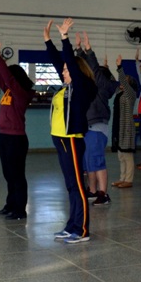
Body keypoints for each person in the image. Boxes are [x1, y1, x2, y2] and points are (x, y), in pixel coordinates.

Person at [45, 18, 97, 244]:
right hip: (60, 140)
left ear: (77, 72)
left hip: (72, 140)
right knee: (70, 186)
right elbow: (58, 62)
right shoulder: (68, 88)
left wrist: (64, 38)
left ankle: (82, 230)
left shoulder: (82, 88)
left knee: (77, 186)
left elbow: (70, 64)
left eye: (67, 70)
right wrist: (48, 41)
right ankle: (71, 226)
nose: (63, 72)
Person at [0, 41, 35, 220]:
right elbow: (0, 77)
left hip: (16, 139)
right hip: (5, 136)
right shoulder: (8, 91)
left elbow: (7, 78)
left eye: (10, 78)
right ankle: (10, 205)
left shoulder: (21, 93)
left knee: (17, 175)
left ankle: (20, 209)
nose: (6, 80)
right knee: (8, 174)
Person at [78, 32, 118, 204]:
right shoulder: (93, 85)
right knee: (89, 163)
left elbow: (93, 69)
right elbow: (83, 69)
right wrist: (79, 51)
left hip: (97, 128)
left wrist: (88, 50)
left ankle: (103, 194)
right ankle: (93, 190)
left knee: (97, 161)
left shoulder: (103, 86)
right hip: (88, 127)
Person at [112, 55, 137, 189]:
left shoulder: (130, 94)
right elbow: (113, 82)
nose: (122, 82)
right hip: (119, 127)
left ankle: (129, 179)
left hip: (127, 127)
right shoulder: (119, 93)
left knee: (127, 155)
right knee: (121, 155)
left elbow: (123, 81)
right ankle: (122, 178)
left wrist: (119, 67)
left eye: (125, 81)